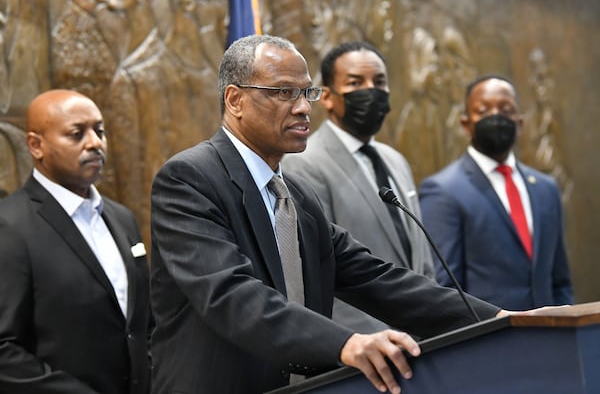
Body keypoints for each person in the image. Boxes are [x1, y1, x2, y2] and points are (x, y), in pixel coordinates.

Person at [149, 35, 504, 394]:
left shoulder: (297, 195)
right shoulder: (189, 180)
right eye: (284, 93)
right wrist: (345, 343)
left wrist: (499, 319)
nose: (304, 108)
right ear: (235, 99)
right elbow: (231, 294)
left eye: (307, 93)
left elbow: (374, 278)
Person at [0, 89, 151, 394]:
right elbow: (4, 349)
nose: (95, 143)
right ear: (36, 145)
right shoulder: (10, 226)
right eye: (76, 134)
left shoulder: (122, 219)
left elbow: (142, 324)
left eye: (99, 130)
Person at [283, 41, 434, 333]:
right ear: (327, 97)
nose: (371, 91)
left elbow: (421, 260)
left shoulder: (395, 160)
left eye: (379, 82)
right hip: (362, 348)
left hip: (425, 340)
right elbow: (320, 273)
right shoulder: (303, 164)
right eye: (355, 83)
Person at [419, 75, 573, 311]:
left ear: (519, 123)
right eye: (483, 110)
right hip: (490, 341)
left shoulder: (546, 188)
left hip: (550, 337)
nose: (495, 117)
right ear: (465, 124)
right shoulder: (443, 191)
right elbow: (446, 288)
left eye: (505, 109)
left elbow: (559, 279)